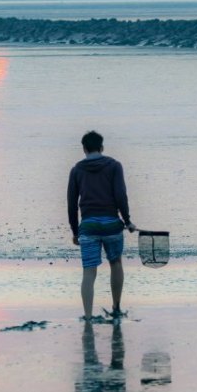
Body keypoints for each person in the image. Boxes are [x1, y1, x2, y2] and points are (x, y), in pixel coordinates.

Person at [67, 131, 135, 321]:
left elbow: (72, 205)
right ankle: (116, 308)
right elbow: (121, 196)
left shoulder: (76, 170)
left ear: (84, 149)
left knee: (89, 270)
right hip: (112, 225)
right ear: (102, 147)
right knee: (116, 263)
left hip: (88, 227)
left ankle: (88, 316)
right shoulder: (114, 166)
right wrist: (127, 221)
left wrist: (75, 231)